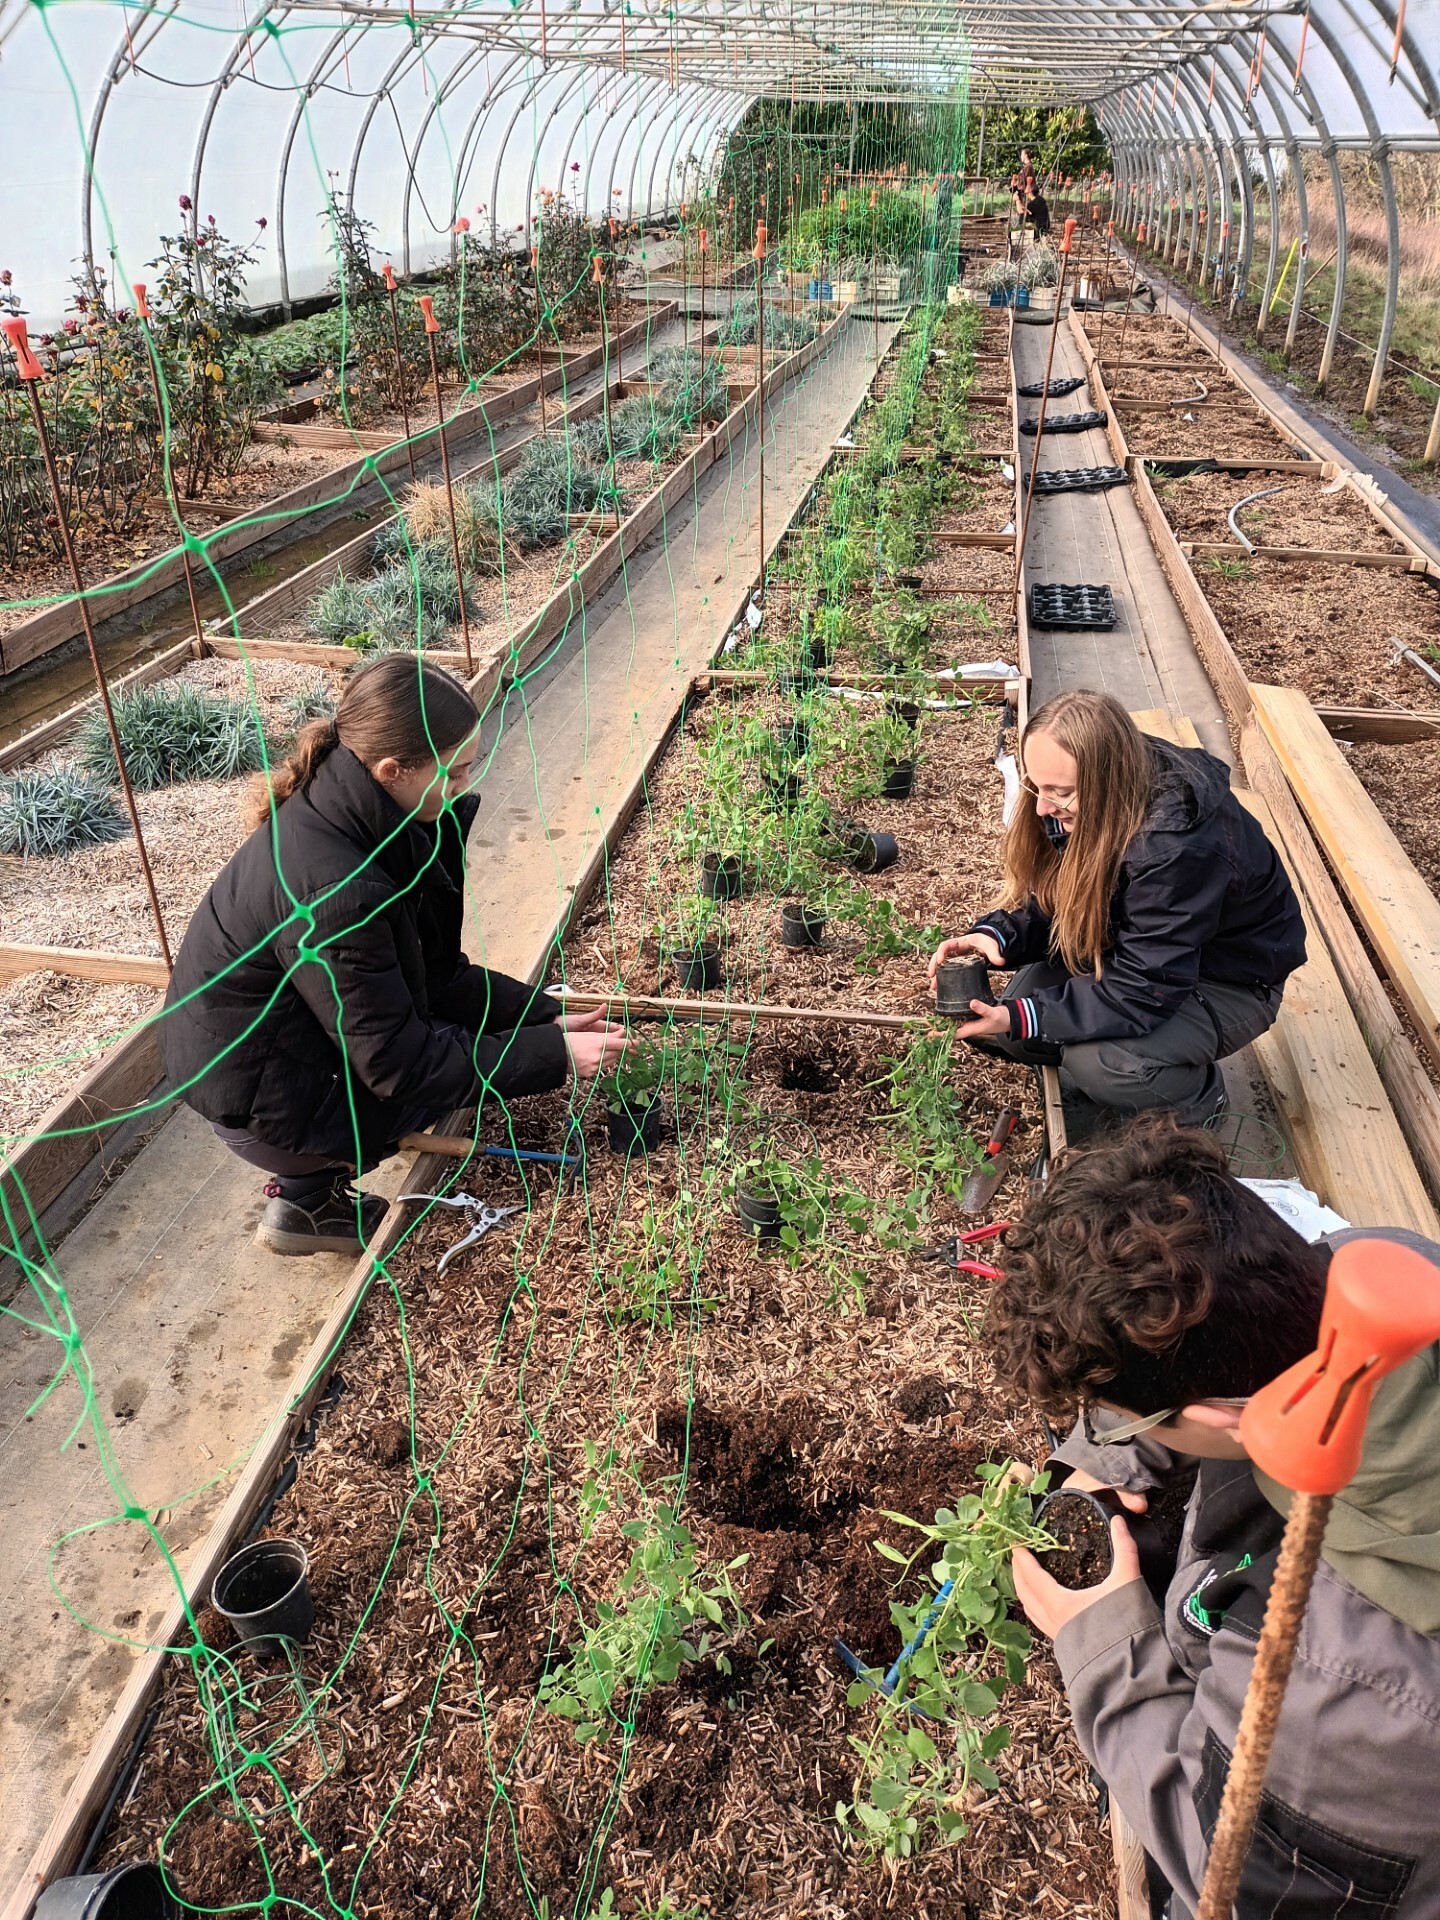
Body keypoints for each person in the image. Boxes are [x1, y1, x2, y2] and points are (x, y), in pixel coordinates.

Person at [986, 1117, 1440, 1916]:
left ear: (1225, 1417)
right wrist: (1104, 1460)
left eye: (1117, 1420)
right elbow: (1221, 1348)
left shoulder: (1345, 1698)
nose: (1108, 1431)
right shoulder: (1379, 1272)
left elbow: (1232, 1875)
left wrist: (1102, 1643)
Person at [162, 656, 627, 1255]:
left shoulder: (366, 817)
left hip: (271, 1058)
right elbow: (398, 1066)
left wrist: (541, 1015)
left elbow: (437, 976)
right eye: (454, 772)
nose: (464, 786)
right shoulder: (336, 888)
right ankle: (308, 1195)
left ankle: (308, 1178)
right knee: (435, 1074)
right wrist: (552, 1055)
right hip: (260, 1104)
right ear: (392, 769)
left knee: (456, 1041)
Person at [927, 691, 1305, 1127]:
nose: (1042, 807)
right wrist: (999, 934)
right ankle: (1134, 1055)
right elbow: (1067, 896)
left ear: (1107, 779)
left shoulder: (1176, 848)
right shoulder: (1107, 788)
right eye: (1037, 786)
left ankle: (1198, 1101)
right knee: (1020, 1023)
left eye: (1059, 793)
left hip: (1226, 980)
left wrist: (1028, 1017)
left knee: (1102, 1063)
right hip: (1149, 952)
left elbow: (1145, 986)